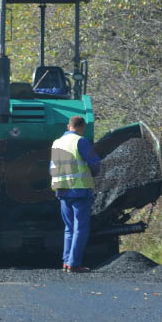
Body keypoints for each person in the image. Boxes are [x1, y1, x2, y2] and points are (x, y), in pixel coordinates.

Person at [50, 116, 101, 272]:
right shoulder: (81, 141)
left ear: (68, 126)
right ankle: (74, 263)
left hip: (62, 189)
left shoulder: (57, 142)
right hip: (79, 189)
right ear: (81, 127)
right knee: (80, 228)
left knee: (69, 228)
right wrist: (94, 172)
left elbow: (51, 167)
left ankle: (66, 262)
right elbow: (95, 162)